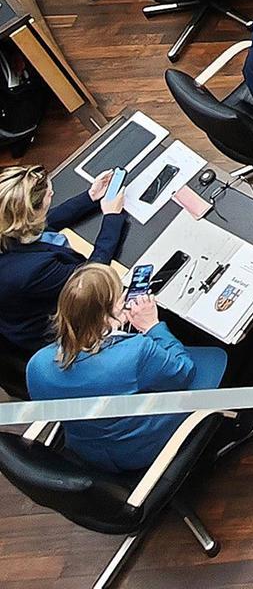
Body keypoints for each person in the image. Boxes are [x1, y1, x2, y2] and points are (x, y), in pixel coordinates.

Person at [28, 265, 236, 475]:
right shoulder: (136, 351)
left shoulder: (37, 364)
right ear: (105, 315)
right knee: (215, 358)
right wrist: (152, 326)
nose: (125, 298)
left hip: (87, 449)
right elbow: (183, 372)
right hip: (138, 450)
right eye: (120, 297)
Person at [0, 162, 126, 358]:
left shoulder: (7, 227)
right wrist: (111, 216)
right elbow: (89, 278)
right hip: (54, 332)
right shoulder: (34, 271)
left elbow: (42, 224)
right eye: (50, 195)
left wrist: (90, 197)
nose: (53, 194)